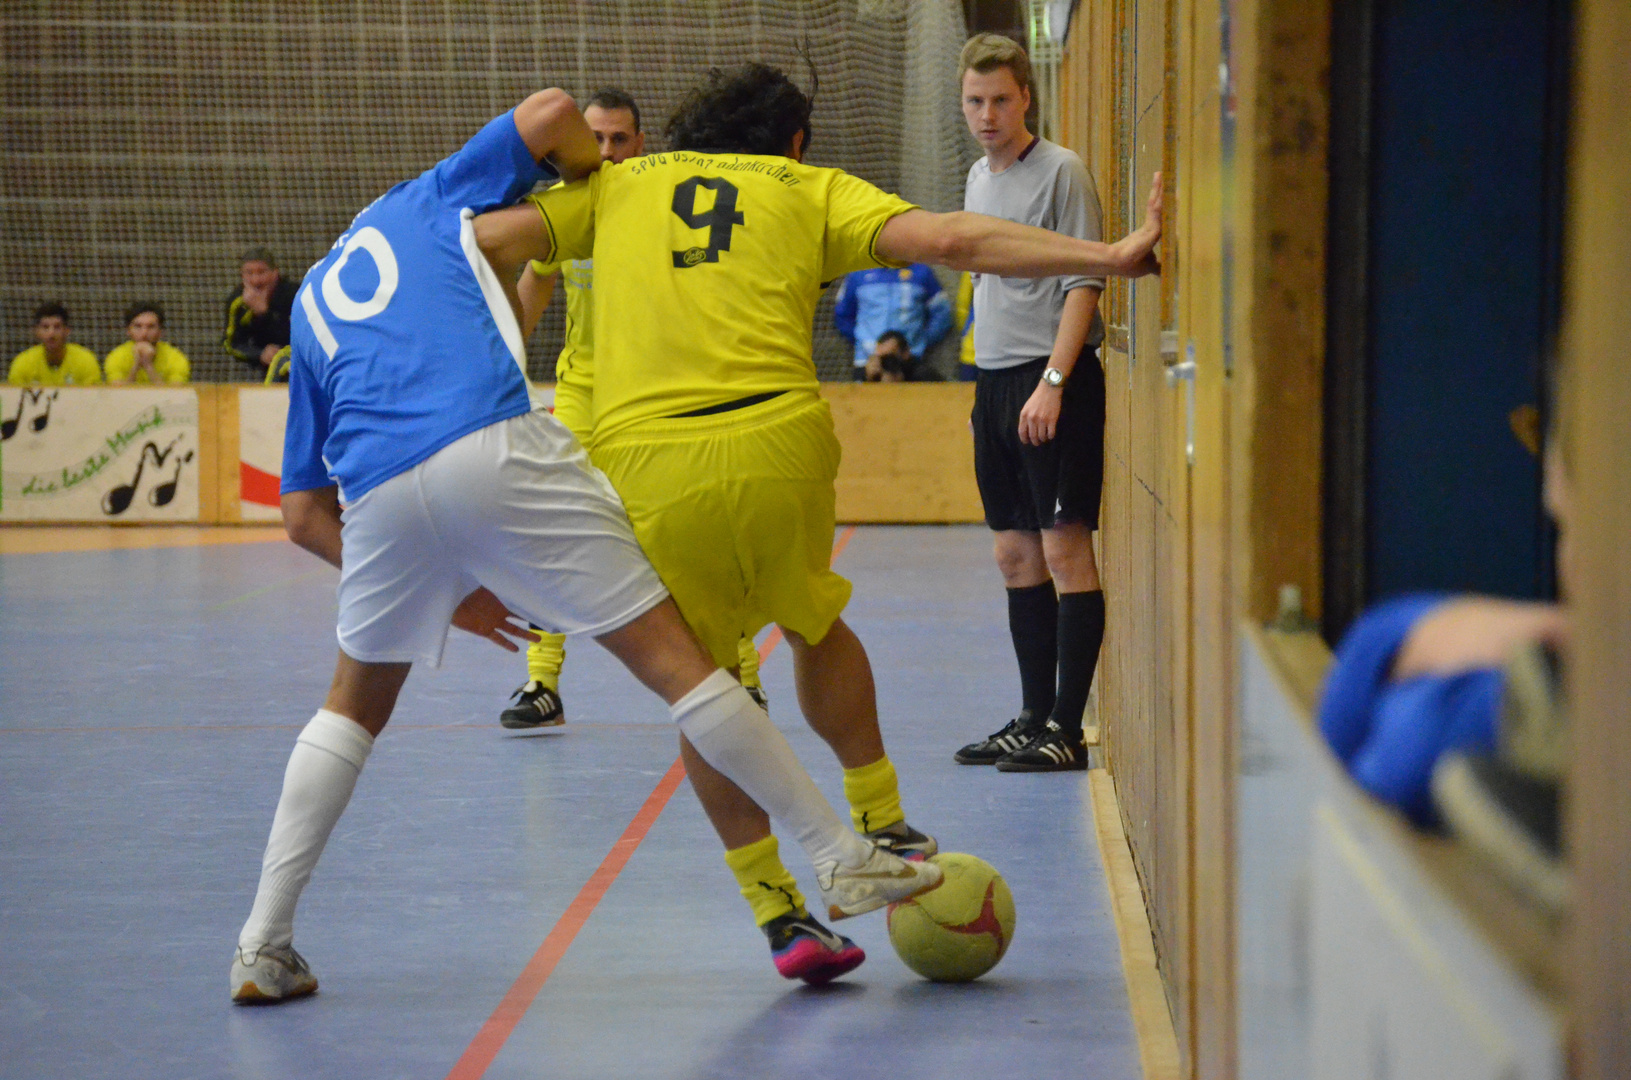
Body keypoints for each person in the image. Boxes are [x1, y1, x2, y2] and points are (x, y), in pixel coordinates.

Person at [230, 90, 941, 1005]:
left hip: (375, 494)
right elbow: (551, 107)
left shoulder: (312, 303)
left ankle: (262, 941)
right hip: (492, 441)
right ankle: (844, 855)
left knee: (349, 709)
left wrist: (451, 593)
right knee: (681, 663)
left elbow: (299, 514)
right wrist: (582, 172)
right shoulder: (432, 196)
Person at [473, 63, 1160, 966]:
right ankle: (885, 819)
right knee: (812, 621)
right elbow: (955, 240)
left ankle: (777, 911)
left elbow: (486, 240)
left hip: (646, 462)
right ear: (792, 140)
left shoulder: (612, 190)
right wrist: (1108, 256)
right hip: (776, 442)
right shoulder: (809, 188)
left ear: (683, 130)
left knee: (706, 687)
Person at [501, 88, 768, 731]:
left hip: (657, 392)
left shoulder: (663, 204)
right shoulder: (564, 213)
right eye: (595, 139)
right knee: (553, 529)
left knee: (693, 535)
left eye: (621, 139)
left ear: (642, 144)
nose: (607, 151)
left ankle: (745, 678)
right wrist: (493, 371)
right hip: (583, 393)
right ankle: (542, 682)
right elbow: (527, 298)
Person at [951, 34, 1112, 773]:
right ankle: (1031, 714)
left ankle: (1067, 731)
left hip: (1054, 380)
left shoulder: (1062, 171)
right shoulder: (976, 179)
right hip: (995, 381)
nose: (988, 115)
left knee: (1061, 548)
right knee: (1014, 554)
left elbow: (1085, 279)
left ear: (1025, 99)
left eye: (1001, 100)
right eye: (975, 101)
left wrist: (1053, 379)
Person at [832, 262, 952, 380]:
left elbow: (942, 312)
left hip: (907, 362)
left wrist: (920, 341)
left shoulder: (922, 272)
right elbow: (843, 315)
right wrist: (863, 341)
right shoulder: (857, 274)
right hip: (866, 361)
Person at [223, 246, 297, 379]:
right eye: (249, 273)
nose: (256, 280)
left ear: (275, 273)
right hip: (270, 370)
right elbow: (231, 344)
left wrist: (265, 313)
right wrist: (260, 354)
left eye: (261, 272)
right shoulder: (237, 302)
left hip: (300, 364)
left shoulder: (295, 295)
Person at [7, 302, 102, 386]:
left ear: (67, 330)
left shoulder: (86, 361)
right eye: (45, 327)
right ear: (36, 331)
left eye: (57, 327)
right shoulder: (23, 363)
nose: (51, 333)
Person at [103, 302, 191, 385]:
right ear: (128, 330)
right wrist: (136, 366)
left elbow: (175, 395)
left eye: (151, 327)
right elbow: (117, 395)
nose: (144, 333)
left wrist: (148, 366)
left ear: (161, 331)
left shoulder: (175, 358)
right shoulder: (116, 357)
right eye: (138, 326)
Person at [863, 329, 942, 382]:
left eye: (890, 358)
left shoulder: (923, 375)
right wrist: (871, 380)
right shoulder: (872, 374)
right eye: (882, 359)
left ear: (905, 353)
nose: (887, 363)